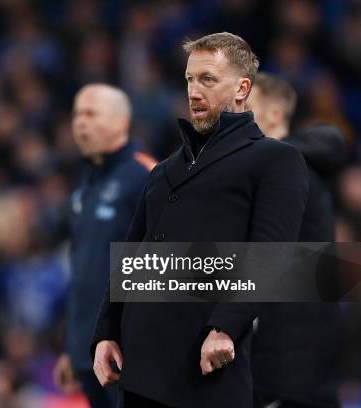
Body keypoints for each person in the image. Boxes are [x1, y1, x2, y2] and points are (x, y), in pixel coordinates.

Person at [92, 32, 309, 407]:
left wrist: (226, 325)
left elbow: (271, 254)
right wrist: (106, 332)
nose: (194, 91)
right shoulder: (162, 171)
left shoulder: (275, 161)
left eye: (208, 80)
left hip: (206, 369)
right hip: (139, 369)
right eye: (190, 79)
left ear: (242, 88)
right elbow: (133, 258)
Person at [247, 73, 347, 408]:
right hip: (271, 354)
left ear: (274, 114)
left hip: (293, 360)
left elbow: (334, 140)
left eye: (244, 105)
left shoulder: (294, 168)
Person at [52, 84, 155, 407]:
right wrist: (73, 345)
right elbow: (82, 270)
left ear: (120, 123)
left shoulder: (147, 176)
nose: (80, 123)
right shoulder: (85, 185)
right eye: (76, 114)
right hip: (88, 348)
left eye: (91, 114)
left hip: (129, 349)